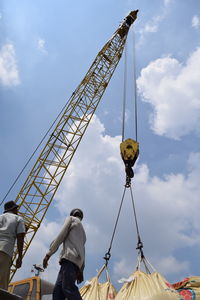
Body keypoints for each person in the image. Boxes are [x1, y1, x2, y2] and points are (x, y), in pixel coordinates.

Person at [43, 208, 86, 300]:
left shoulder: (71, 219)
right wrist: (81, 270)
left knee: (68, 287)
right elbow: (83, 251)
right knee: (58, 291)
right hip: (75, 263)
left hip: (69, 259)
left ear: (72, 214)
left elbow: (61, 236)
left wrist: (48, 254)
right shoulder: (83, 232)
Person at [0, 201, 26, 290]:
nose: (17, 210)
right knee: (2, 284)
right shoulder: (18, 219)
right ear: (13, 209)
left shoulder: (0, 217)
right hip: (5, 250)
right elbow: (20, 237)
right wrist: (20, 257)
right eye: (16, 208)